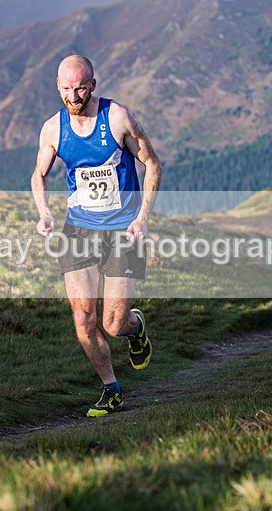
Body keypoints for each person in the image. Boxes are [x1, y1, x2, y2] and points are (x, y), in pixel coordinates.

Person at [31, 55, 162, 417]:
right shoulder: (53, 129)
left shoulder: (117, 117)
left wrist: (142, 218)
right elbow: (38, 175)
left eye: (80, 88)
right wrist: (45, 212)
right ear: (58, 86)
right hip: (79, 229)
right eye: (66, 89)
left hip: (123, 230)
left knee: (112, 323)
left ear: (93, 83)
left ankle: (135, 330)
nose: (74, 96)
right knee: (83, 319)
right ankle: (111, 388)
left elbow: (151, 163)